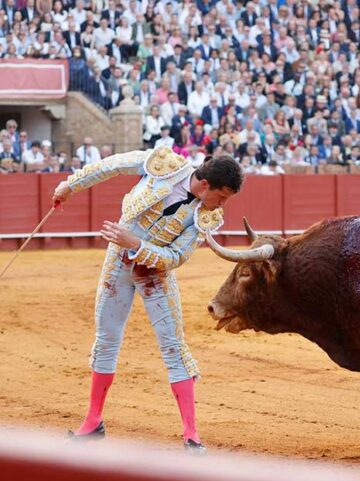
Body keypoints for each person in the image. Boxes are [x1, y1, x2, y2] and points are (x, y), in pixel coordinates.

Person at [53, 147, 245, 454]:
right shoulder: (164, 164)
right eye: (222, 197)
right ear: (205, 184)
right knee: (106, 340)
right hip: (118, 263)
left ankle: (192, 435)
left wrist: (136, 244)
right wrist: (70, 185)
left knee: (173, 347)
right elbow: (112, 165)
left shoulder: (205, 217)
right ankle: (92, 422)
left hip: (155, 273)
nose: (222, 205)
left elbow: (176, 257)